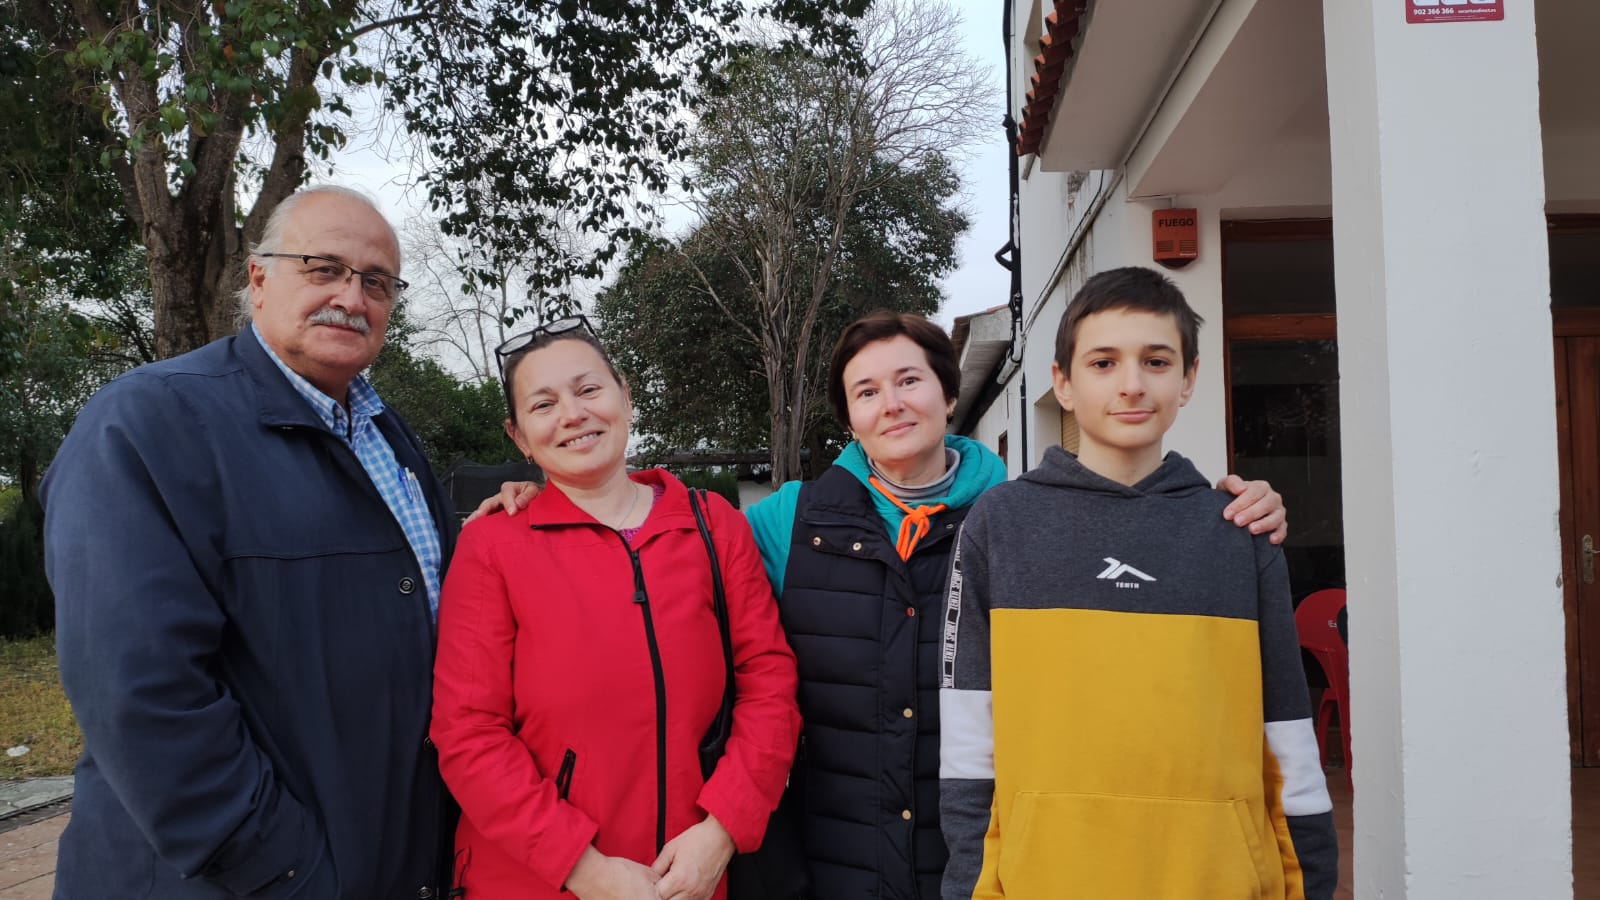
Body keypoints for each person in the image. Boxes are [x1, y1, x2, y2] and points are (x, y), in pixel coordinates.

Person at [475, 311, 1288, 900]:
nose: (891, 403)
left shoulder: (1023, 517)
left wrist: (1220, 506)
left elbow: (1124, 579)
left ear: (946, 391)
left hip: (980, 850)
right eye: (867, 391)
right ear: (850, 418)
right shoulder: (780, 522)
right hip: (829, 856)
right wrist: (531, 498)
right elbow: (745, 657)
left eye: (909, 381)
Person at [41, 185, 455, 897]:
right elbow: (143, 697)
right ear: (258, 279)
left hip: (383, 862)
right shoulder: (146, 426)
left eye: (377, 281)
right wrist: (288, 871)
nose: (353, 298)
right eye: (324, 268)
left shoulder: (390, 438)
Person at [938, 267, 1337, 900]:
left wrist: (1311, 879)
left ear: (1189, 380)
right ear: (1062, 384)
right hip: (1047, 878)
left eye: (1156, 360)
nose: (1131, 385)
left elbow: (1284, 731)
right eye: (1103, 363)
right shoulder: (1001, 524)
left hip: (1216, 880)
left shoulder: (1238, 529)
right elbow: (968, 737)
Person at [429, 317, 801, 900]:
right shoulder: (492, 548)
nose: (572, 414)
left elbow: (769, 681)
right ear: (520, 436)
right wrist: (585, 868)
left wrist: (722, 831)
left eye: (588, 389)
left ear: (625, 397)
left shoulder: (712, 526)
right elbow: (468, 732)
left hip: (692, 876)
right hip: (537, 881)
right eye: (543, 404)